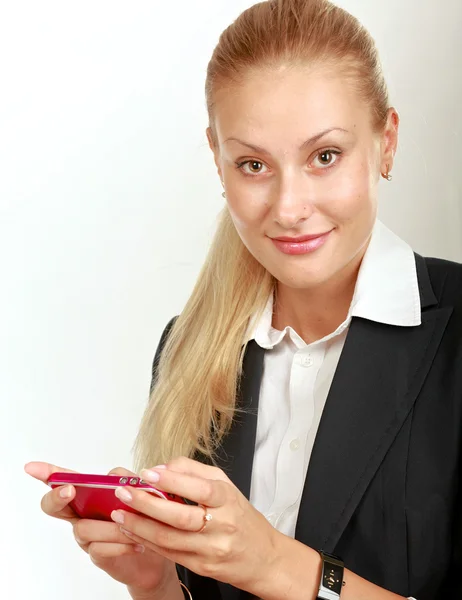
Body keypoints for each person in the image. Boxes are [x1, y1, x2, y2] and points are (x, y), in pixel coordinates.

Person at [25, 0, 462, 599]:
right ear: (217, 159)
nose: (288, 209)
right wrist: (152, 582)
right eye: (253, 164)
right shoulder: (187, 350)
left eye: (324, 156)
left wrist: (274, 565)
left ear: (386, 142)